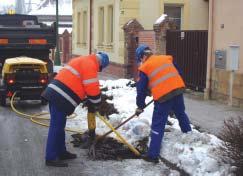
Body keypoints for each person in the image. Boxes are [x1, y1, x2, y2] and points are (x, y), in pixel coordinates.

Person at [41, 52, 109, 167]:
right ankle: (51, 157)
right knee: (56, 127)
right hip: (59, 96)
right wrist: (97, 103)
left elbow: (79, 81)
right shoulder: (91, 65)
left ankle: (61, 152)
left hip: (55, 93)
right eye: (100, 68)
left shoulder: (83, 60)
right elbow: (92, 87)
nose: (98, 70)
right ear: (100, 63)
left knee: (59, 126)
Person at [135, 44, 192, 163]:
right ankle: (190, 137)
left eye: (140, 59)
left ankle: (152, 155)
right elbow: (178, 72)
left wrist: (140, 106)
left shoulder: (145, 67)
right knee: (181, 113)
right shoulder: (165, 58)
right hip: (178, 89)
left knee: (158, 124)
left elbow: (140, 90)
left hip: (163, 96)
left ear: (142, 57)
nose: (140, 62)